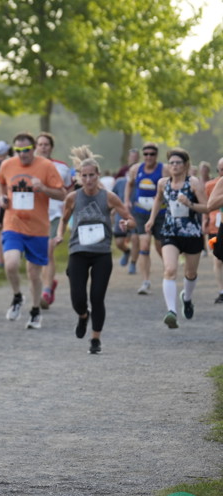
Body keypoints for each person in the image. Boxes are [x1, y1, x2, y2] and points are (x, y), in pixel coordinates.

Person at [55, 147, 135, 354]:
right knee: (78, 299)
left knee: (97, 297)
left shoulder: (109, 197)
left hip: (101, 253)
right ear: (79, 177)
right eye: (84, 176)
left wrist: (126, 223)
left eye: (92, 175)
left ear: (98, 175)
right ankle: (83, 316)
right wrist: (59, 235)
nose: (88, 179)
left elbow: (130, 219)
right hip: (78, 251)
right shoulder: (73, 198)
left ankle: (95, 339)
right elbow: (63, 220)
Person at [0, 132, 66, 329]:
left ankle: (35, 312)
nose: (22, 154)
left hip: (38, 228)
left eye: (26, 150)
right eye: (18, 150)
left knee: (34, 274)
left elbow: (62, 194)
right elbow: (0, 182)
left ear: (33, 148)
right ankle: (17, 296)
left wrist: (43, 188)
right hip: (13, 224)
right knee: (11, 264)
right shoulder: (7, 165)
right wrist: (1, 197)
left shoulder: (46, 166)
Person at [145, 148, 208, 329]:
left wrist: (189, 203)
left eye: (177, 163)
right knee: (170, 269)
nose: (174, 166)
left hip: (191, 232)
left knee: (190, 273)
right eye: (171, 163)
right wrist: (151, 219)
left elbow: (206, 207)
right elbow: (158, 199)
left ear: (185, 165)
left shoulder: (193, 183)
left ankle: (186, 299)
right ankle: (171, 312)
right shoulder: (163, 183)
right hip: (170, 231)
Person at [35, 132, 74, 309]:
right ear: (36, 147)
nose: (43, 147)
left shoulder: (62, 167)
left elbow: (69, 193)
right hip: (35, 215)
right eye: (40, 144)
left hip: (55, 214)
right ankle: (49, 283)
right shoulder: (29, 166)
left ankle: (46, 291)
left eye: (46, 144)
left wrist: (69, 211)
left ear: (51, 147)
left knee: (48, 250)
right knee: (38, 254)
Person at [124, 142, 165, 294]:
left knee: (160, 246)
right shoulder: (136, 169)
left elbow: (170, 186)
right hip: (140, 212)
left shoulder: (164, 169)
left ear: (156, 155)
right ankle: (145, 282)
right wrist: (126, 200)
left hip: (160, 213)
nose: (148, 157)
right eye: (146, 154)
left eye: (152, 154)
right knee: (145, 245)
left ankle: (169, 271)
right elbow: (129, 184)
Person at [203, 157, 223, 304]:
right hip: (216, 226)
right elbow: (209, 205)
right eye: (221, 169)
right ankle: (221, 291)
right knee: (218, 259)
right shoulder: (215, 184)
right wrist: (205, 220)